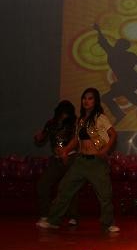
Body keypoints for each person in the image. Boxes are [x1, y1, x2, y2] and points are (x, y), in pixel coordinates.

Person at [37, 88, 119, 232]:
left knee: (104, 193)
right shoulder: (80, 120)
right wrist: (66, 150)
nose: (86, 101)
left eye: (90, 98)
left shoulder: (100, 117)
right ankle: (53, 220)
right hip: (81, 161)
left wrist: (105, 150)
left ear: (95, 101)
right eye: (84, 98)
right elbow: (76, 139)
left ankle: (108, 224)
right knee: (65, 188)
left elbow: (113, 134)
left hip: (96, 162)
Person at [34, 100, 79, 227]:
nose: (64, 115)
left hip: (70, 157)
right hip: (56, 159)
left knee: (70, 186)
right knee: (43, 184)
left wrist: (66, 151)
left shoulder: (73, 124)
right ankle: (45, 215)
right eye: (62, 112)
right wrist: (38, 138)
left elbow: (76, 139)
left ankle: (73, 216)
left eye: (67, 113)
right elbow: (42, 138)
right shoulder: (51, 124)